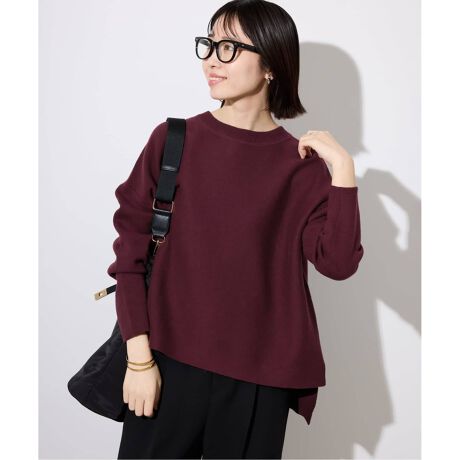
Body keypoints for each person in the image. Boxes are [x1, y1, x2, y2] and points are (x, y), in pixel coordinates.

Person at [109, 0, 364, 458]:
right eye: (208, 45)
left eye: (229, 47)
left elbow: (339, 263)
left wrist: (343, 171)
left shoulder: (302, 167)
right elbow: (129, 254)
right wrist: (139, 359)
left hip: (259, 382)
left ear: (271, 65)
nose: (211, 59)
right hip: (165, 364)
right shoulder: (173, 141)